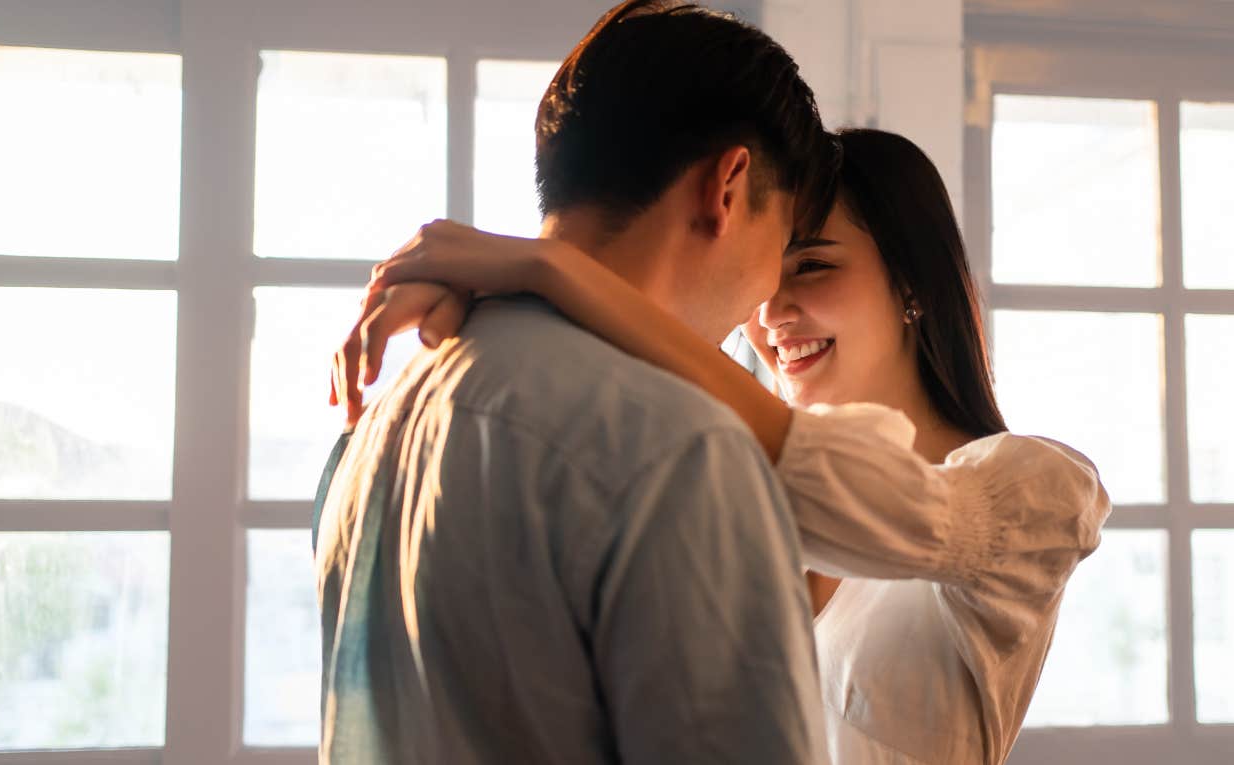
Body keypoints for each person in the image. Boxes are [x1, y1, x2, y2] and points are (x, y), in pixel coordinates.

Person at [335, 130, 1112, 765]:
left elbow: (887, 504)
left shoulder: (1035, 491)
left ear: (912, 281)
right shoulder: (724, 461)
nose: (774, 315)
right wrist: (491, 303)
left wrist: (545, 265)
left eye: (812, 267)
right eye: (766, 280)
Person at [313, 1, 841, 763]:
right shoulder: (679, 449)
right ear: (728, 186)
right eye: (784, 243)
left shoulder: (377, 423)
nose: (767, 299)